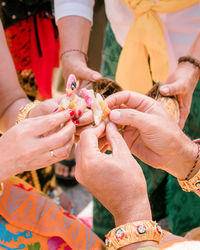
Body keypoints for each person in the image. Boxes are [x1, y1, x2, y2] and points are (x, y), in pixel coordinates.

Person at [54, 0, 200, 237]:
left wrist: (193, 65)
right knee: (115, 154)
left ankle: (187, 233)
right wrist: (72, 55)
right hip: (126, 41)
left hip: (192, 45)